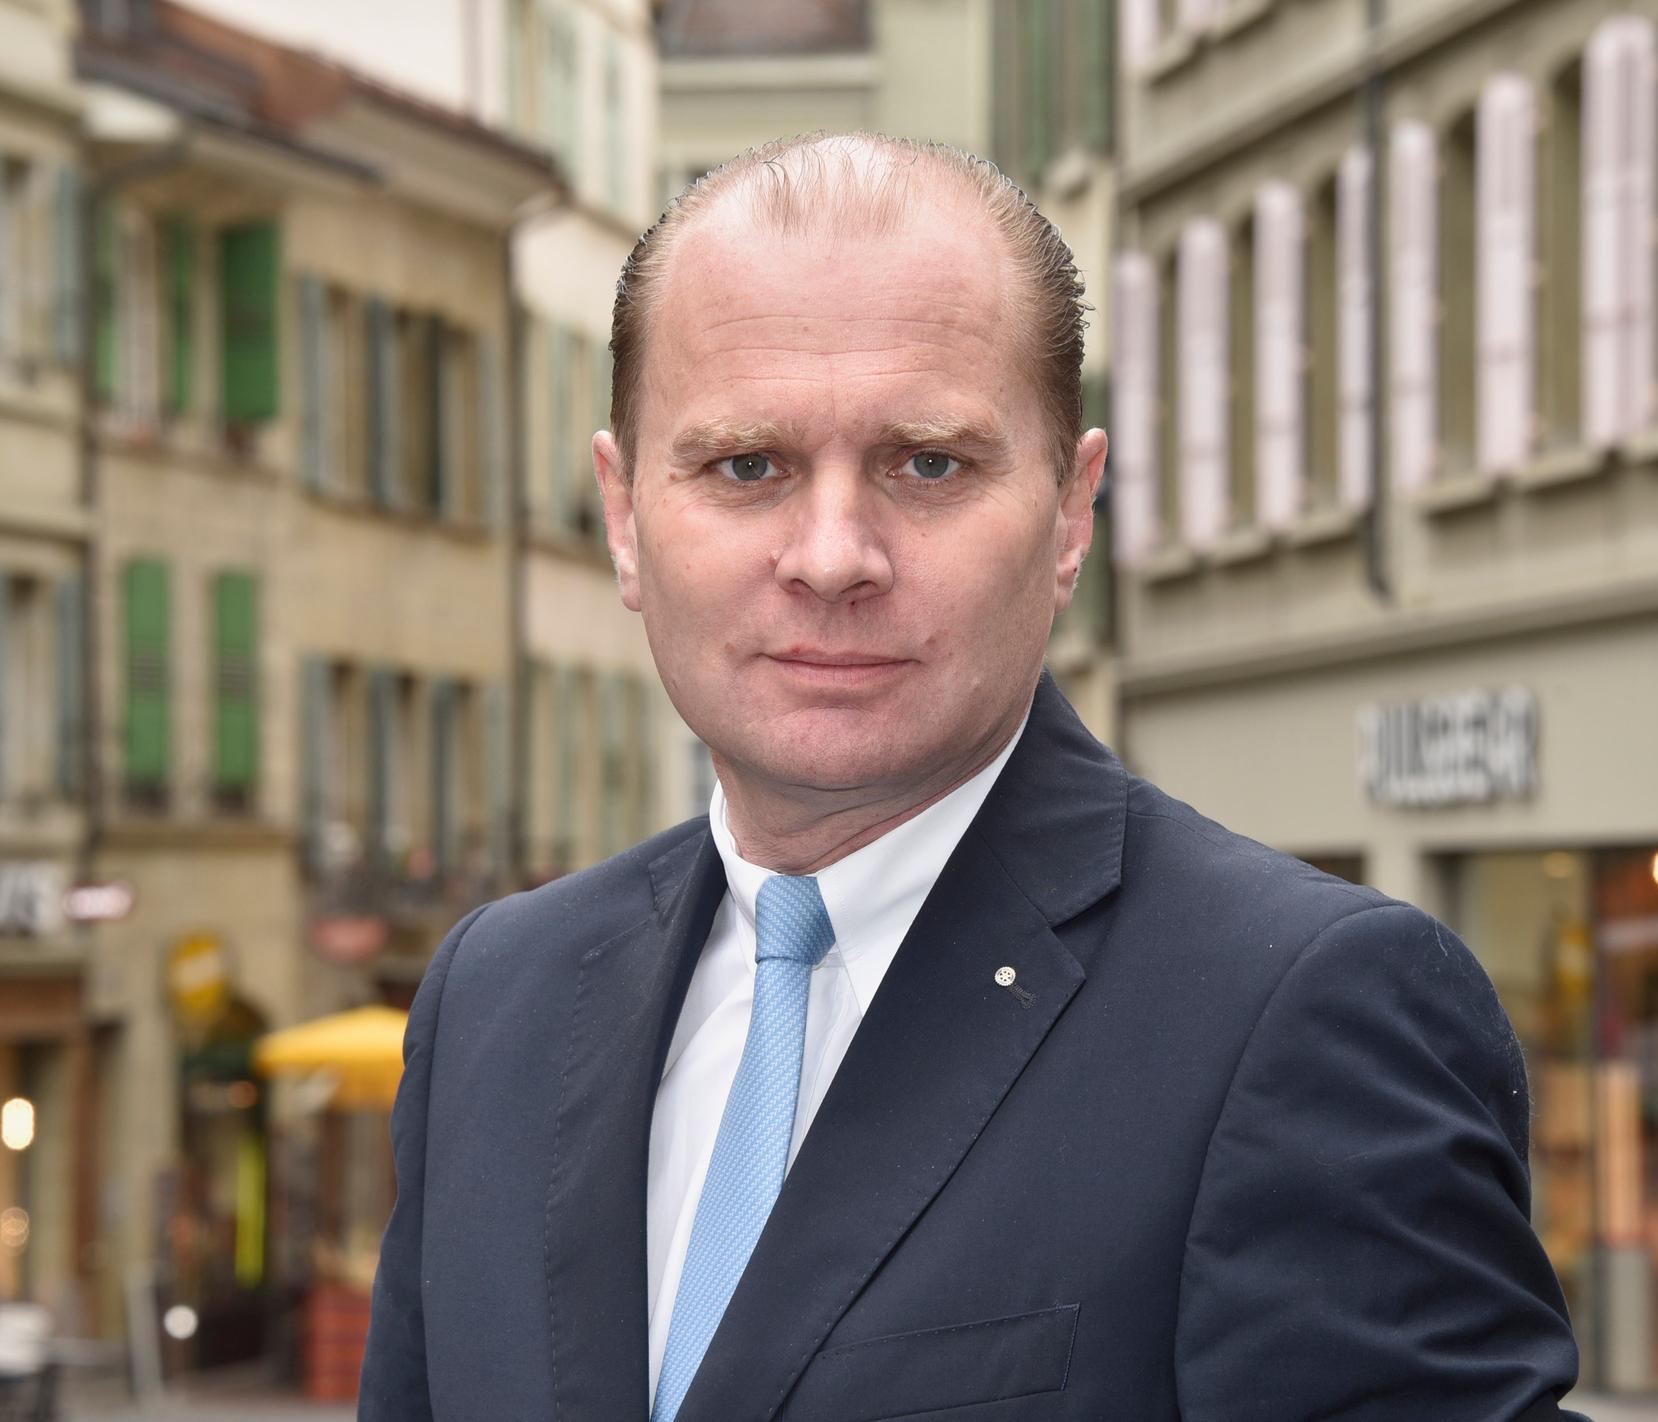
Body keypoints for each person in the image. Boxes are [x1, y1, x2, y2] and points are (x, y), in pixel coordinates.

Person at [359, 132, 1586, 1420]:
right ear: (622, 517)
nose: (831, 556)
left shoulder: (1304, 1013)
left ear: (1070, 512)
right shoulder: (496, 1000)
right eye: (746, 467)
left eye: (927, 464)